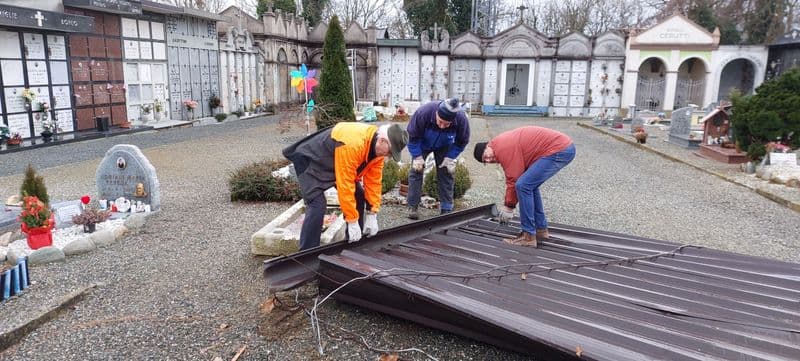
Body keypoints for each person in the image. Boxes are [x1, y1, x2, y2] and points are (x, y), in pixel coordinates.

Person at [283, 122, 409, 250]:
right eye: (390, 152)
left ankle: (354, 242)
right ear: (382, 141)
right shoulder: (352, 144)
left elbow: (374, 182)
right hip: (311, 161)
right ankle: (307, 254)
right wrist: (352, 220)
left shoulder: (378, 151)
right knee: (317, 205)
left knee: (358, 195)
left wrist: (372, 213)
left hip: (335, 163)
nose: (388, 156)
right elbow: (345, 184)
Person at [473, 126, 576, 247]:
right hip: (562, 147)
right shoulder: (500, 145)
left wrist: (508, 207)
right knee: (530, 185)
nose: (489, 160)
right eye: (485, 162)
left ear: (487, 146)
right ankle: (540, 230)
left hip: (558, 149)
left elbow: (513, 178)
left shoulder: (502, 147)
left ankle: (528, 237)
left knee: (523, 185)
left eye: (486, 156)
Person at [406, 98, 470, 219]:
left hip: (445, 144)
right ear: (436, 113)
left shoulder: (461, 119)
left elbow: (462, 141)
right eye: (440, 122)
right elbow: (412, 137)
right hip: (422, 142)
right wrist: (417, 156)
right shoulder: (423, 113)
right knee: (416, 170)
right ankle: (413, 206)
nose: (442, 126)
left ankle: (446, 208)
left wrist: (450, 157)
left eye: (447, 124)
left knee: (446, 172)